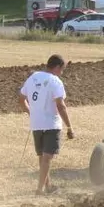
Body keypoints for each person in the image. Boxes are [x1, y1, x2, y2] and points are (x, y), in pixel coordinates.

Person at [19, 54, 74, 196]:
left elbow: (21, 99)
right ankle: (40, 190)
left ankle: (48, 186)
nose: (62, 73)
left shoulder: (33, 77)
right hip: (51, 124)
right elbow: (61, 106)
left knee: (42, 157)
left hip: (36, 124)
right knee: (47, 158)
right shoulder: (55, 81)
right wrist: (69, 126)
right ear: (57, 67)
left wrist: (31, 112)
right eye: (62, 69)